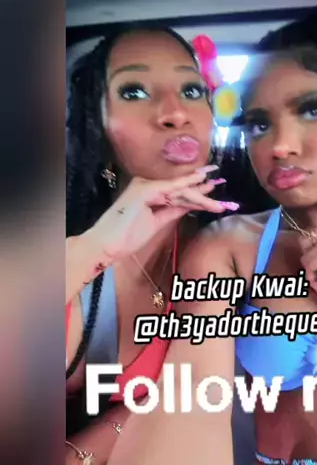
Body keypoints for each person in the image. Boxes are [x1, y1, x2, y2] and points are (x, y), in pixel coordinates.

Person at [108, 12, 317, 465]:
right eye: (258, 124)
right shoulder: (228, 247)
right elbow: (193, 399)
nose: (280, 145)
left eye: (313, 108)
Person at [65, 23, 240, 464]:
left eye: (192, 90)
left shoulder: (226, 250)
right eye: (134, 92)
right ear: (99, 129)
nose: (175, 112)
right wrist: (97, 248)